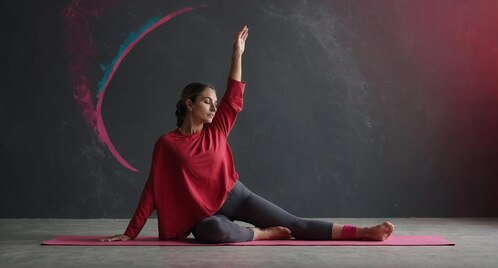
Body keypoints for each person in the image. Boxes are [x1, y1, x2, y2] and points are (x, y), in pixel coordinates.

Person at [99, 26, 394, 243]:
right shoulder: (167, 144)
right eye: (206, 101)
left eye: (215, 103)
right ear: (189, 104)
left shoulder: (216, 130)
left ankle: (366, 233)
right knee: (214, 232)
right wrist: (130, 233)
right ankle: (261, 234)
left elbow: (233, 97)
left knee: (296, 224)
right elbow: (152, 189)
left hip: (235, 196)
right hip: (204, 216)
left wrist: (237, 55)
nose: (214, 107)